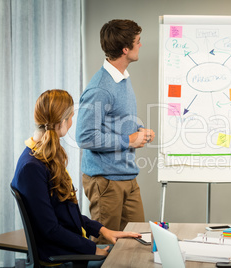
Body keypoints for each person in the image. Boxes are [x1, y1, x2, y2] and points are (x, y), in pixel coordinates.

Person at [11, 90, 141, 267]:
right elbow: (50, 229)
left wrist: (103, 230)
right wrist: (92, 249)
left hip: (69, 249)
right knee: (127, 262)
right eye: (71, 117)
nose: (72, 123)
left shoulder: (43, 157)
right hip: (60, 256)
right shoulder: (31, 167)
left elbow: (66, 214)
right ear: (62, 122)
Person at [75, 19, 155, 244]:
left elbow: (114, 122)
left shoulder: (122, 79)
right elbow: (84, 136)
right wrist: (128, 139)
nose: (141, 45)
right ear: (125, 49)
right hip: (105, 181)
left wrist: (138, 131)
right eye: (138, 42)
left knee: (137, 243)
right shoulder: (100, 87)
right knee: (106, 249)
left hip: (127, 176)